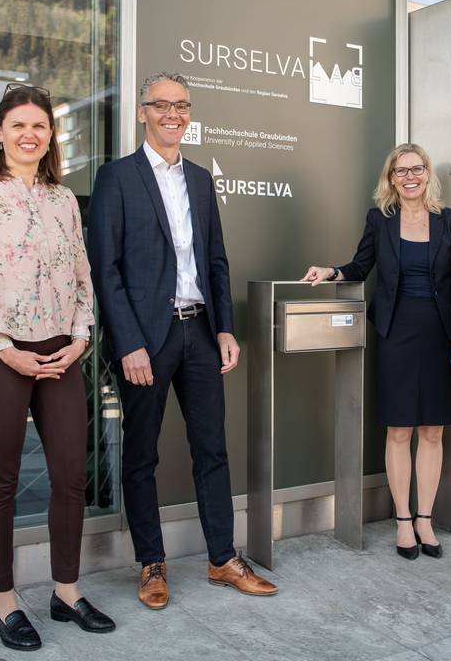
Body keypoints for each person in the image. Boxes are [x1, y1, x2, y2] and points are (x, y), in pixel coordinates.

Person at [88, 72, 278, 610]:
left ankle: (222, 558)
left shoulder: (199, 178)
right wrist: (128, 342)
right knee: (141, 455)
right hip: (146, 338)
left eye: (182, 105)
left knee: (212, 449)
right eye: (162, 105)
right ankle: (151, 563)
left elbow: (215, 259)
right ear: (142, 112)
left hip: (199, 329)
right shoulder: (116, 178)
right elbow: (106, 269)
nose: (173, 114)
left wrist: (224, 327)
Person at [0, 83, 114, 652]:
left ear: (50, 136)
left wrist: (81, 336)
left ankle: (66, 592)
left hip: (60, 351)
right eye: (18, 124)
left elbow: (82, 272)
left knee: (71, 475)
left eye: (39, 126)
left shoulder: (63, 199)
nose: (29, 134)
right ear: (0, 132)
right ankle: (3, 601)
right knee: (1, 480)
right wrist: (3, 344)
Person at [301, 143, 451, 560]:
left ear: (427, 173)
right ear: (391, 178)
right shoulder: (380, 220)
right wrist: (330, 271)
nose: (410, 177)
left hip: (441, 335)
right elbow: (360, 267)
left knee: (433, 430)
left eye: (416, 169)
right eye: (400, 171)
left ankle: (425, 519)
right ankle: (403, 520)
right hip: (396, 333)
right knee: (399, 429)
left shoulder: (450, 221)